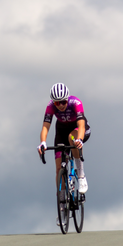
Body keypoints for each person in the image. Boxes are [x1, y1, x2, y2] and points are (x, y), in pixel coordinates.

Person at [37, 83, 91, 222]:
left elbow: (81, 125)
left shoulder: (76, 103)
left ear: (67, 99)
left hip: (77, 129)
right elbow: (45, 127)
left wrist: (79, 139)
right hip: (61, 130)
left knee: (71, 139)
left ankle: (80, 174)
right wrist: (43, 142)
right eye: (57, 102)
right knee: (58, 168)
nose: (60, 105)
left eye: (63, 102)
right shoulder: (50, 107)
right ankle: (62, 207)